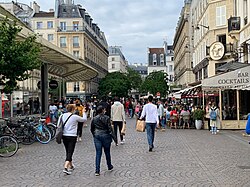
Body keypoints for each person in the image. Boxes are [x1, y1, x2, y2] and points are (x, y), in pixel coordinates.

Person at [57, 104, 87, 175]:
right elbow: (84, 119)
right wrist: (83, 112)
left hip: (64, 135)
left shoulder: (62, 115)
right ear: (73, 109)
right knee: (70, 151)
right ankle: (65, 167)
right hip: (72, 136)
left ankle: (71, 165)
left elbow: (58, 125)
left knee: (68, 150)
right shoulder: (74, 117)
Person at [91, 105, 117, 176]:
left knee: (98, 153)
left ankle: (97, 170)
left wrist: (94, 134)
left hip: (97, 136)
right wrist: (114, 138)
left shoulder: (94, 118)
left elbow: (92, 128)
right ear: (102, 110)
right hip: (106, 136)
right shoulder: (107, 118)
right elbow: (110, 129)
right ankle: (109, 165)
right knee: (107, 151)